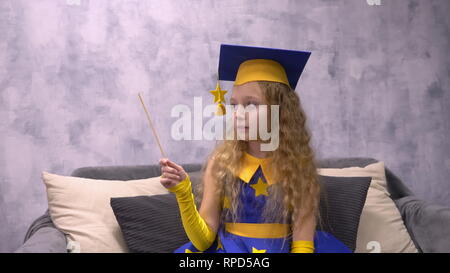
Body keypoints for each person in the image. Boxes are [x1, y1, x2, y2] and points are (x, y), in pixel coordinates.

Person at [159, 44, 351, 253]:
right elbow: (203, 241)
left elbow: (302, 243)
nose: (238, 114)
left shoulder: (298, 168)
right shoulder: (222, 162)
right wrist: (183, 192)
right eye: (234, 105)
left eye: (251, 104)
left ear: (281, 112)